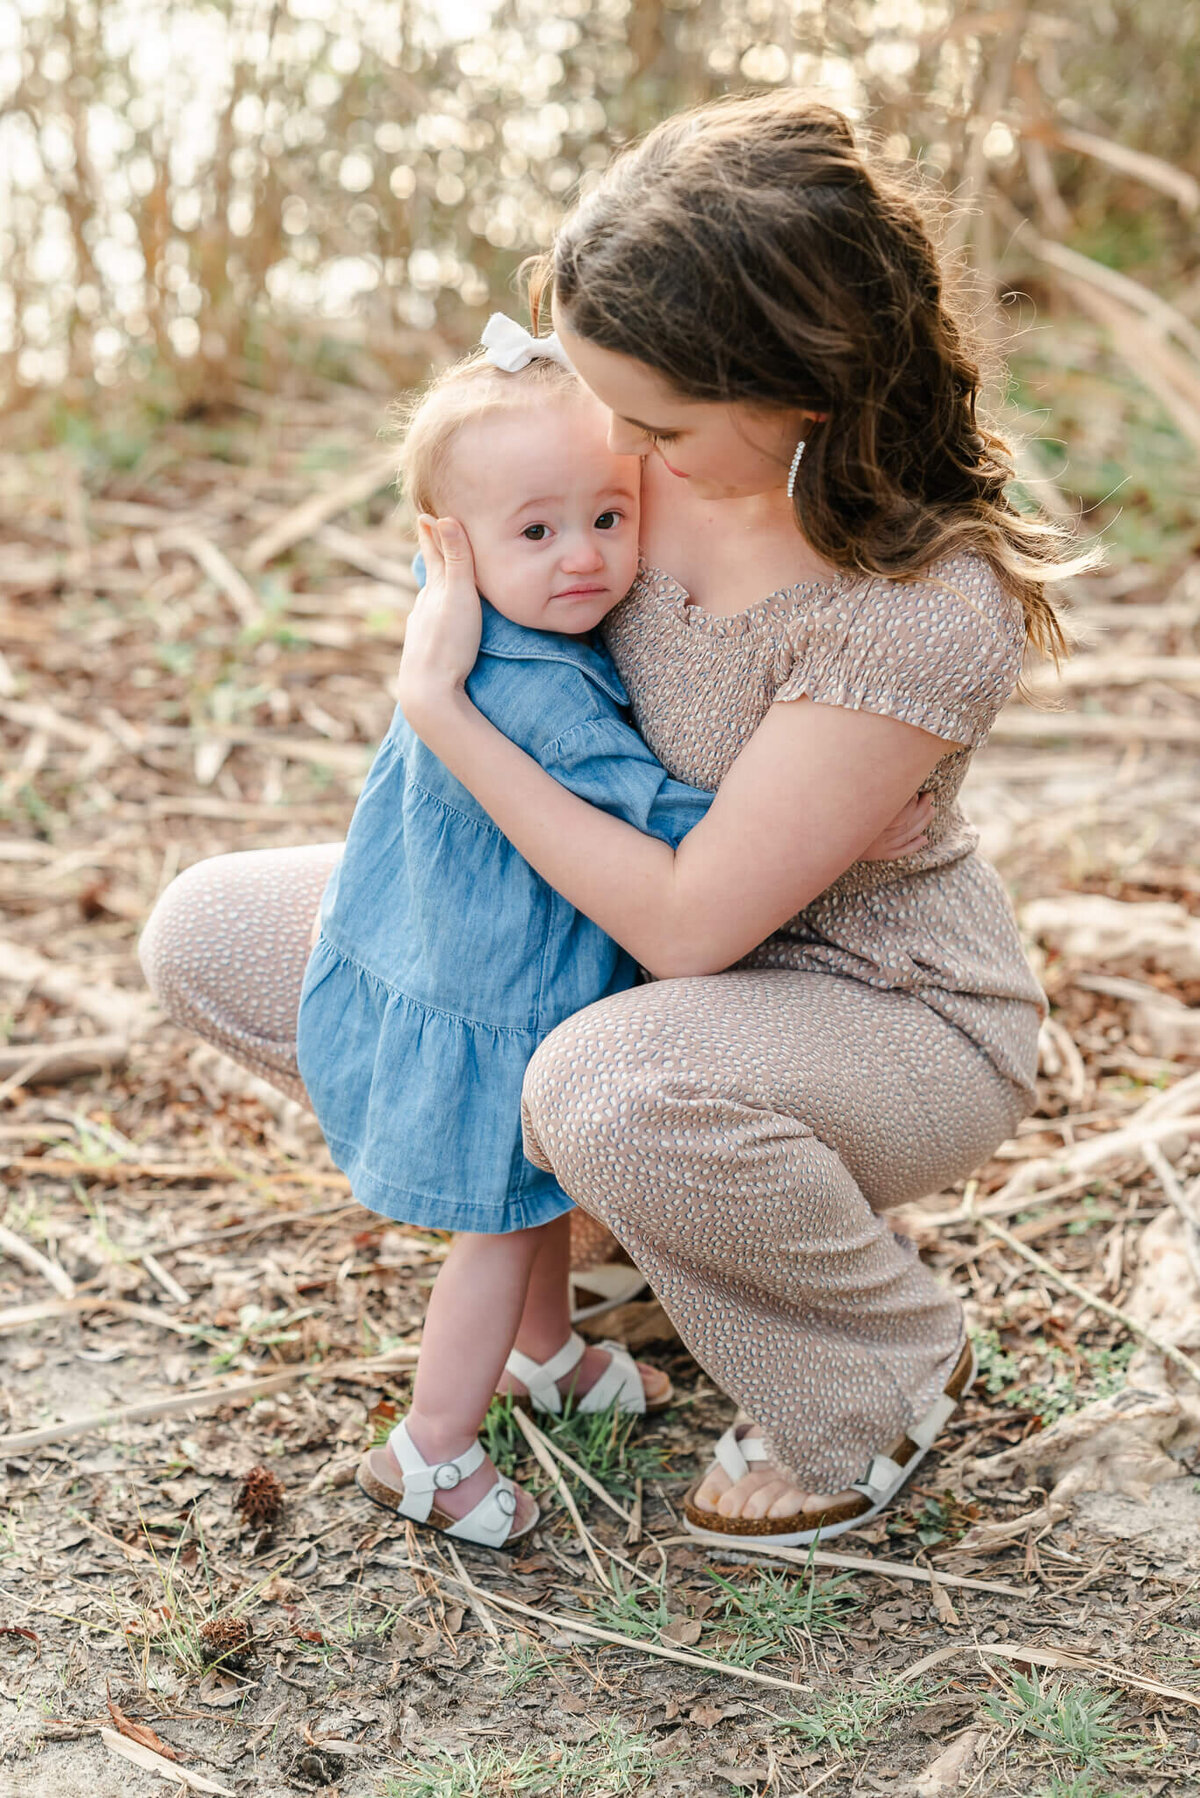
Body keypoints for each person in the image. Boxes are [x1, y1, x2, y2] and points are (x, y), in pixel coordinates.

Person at [142, 89, 1084, 1552]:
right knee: (215, 933)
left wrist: (443, 712)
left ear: (800, 380)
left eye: (653, 419)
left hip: (872, 1001)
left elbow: (692, 915)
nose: (617, 446)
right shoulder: (636, 449)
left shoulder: (922, 607)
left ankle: (878, 1352)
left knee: (607, 1083)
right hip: (592, 943)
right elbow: (481, 535)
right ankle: (620, 1232)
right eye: (605, 404)